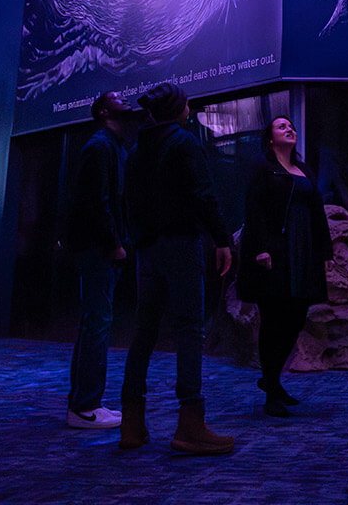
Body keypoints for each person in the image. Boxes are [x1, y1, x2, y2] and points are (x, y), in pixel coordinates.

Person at [119, 82, 235, 455]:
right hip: (182, 245)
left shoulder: (137, 150)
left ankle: (131, 424)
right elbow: (203, 195)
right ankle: (190, 424)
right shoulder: (184, 142)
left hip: (147, 249)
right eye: (187, 102)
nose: (191, 106)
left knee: (144, 333)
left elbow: (129, 201)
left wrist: (138, 239)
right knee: (189, 330)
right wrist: (222, 239)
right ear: (179, 108)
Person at [237, 116, 333, 417]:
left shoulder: (304, 170)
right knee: (274, 318)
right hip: (276, 252)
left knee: (296, 315)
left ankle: (271, 379)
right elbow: (255, 210)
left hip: (303, 251)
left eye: (290, 126)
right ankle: (272, 387)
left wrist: (325, 251)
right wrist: (262, 249)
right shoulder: (263, 168)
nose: (289, 128)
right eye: (282, 127)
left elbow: (317, 212)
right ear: (270, 139)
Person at [66, 90, 133, 430]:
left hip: (101, 248)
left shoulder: (112, 147)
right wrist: (113, 243)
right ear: (104, 110)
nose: (128, 100)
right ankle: (84, 407)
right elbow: (97, 202)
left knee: (95, 322)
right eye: (120, 98)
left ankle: (86, 402)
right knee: (98, 323)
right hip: (98, 249)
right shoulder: (100, 147)